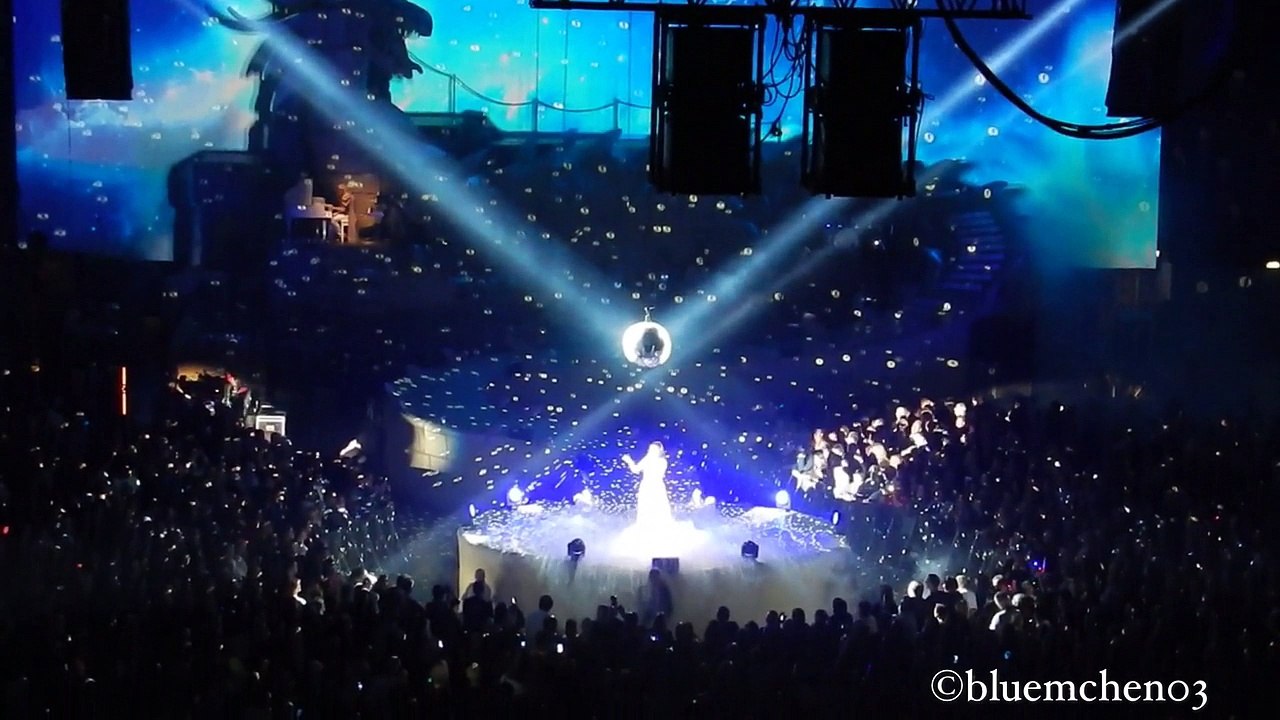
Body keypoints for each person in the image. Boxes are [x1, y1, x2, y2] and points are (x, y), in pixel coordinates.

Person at [623, 442, 672, 528]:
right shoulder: (648, 459)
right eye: (650, 449)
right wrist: (629, 461)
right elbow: (635, 469)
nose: (650, 451)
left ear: (659, 451)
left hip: (656, 487)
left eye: (653, 449)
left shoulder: (662, 461)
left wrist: (630, 461)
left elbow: (656, 472)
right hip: (646, 486)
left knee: (659, 507)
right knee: (645, 508)